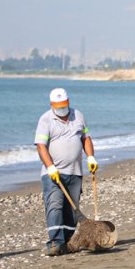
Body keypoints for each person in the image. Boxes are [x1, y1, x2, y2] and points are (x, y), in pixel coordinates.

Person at [35, 88, 97, 256]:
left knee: (72, 208)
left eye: (64, 105)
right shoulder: (45, 120)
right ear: (51, 105)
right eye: (58, 106)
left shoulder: (78, 115)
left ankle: (68, 241)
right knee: (55, 206)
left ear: (68, 102)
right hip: (53, 173)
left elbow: (86, 138)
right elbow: (41, 146)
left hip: (75, 171)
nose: (62, 109)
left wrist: (90, 157)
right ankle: (55, 242)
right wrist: (50, 166)